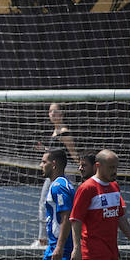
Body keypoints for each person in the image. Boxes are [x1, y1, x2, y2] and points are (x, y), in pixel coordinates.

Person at [33, 104, 78, 248]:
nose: (52, 113)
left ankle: (53, 239)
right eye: (50, 111)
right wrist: (45, 150)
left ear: (62, 113)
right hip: (53, 171)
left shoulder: (65, 133)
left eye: (55, 111)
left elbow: (72, 154)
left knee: (63, 203)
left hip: (65, 171)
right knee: (44, 202)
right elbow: (57, 152)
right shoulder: (54, 132)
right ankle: (44, 238)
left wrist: (81, 170)